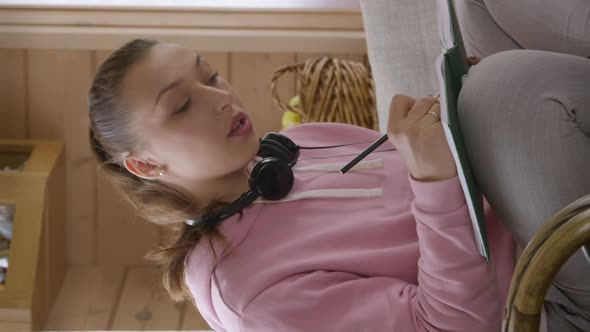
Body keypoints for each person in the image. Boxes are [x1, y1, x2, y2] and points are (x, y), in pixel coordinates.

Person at [88, 39, 515, 331]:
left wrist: (453, 119)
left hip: (509, 192)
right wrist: (433, 177)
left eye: (211, 76)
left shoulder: (299, 141)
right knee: (523, 82)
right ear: (145, 164)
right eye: (181, 106)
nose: (221, 98)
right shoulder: (254, 296)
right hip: (535, 276)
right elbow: (451, 325)